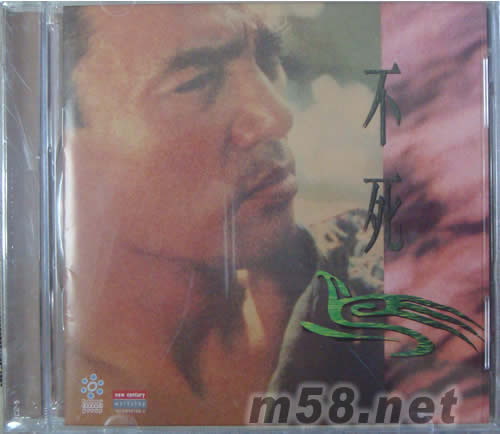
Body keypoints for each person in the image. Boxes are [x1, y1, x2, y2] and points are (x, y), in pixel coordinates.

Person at [63, 4, 383, 425]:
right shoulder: (55, 400)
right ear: (62, 144)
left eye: (267, 59)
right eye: (196, 82)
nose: (277, 117)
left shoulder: (368, 277)